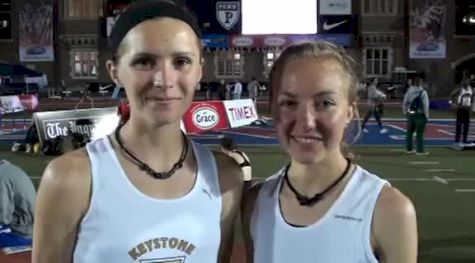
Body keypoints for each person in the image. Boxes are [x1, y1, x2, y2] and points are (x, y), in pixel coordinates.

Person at [33, 1, 243, 262]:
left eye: (181, 61)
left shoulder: (225, 178)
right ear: (115, 72)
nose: (164, 80)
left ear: (199, 69)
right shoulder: (70, 179)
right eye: (144, 61)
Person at [242, 41, 418, 263]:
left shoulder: (388, 210)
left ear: (348, 112)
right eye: (289, 103)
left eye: (325, 103)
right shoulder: (255, 203)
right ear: (273, 111)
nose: (306, 121)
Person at [0, 159, 36, 248]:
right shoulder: (8, 169)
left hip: (20, 234)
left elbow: (3, 219)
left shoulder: (1, 178)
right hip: (30, 227)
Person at [402, 76, 430, 154]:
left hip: (411, 113)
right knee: (419, 133)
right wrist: (426, 116)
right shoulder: (423, 92)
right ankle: (420, 150)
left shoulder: (409, 90)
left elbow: (405, 102)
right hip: (420, 114)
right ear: (421, 83)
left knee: (409, 132)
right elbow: (425, 105)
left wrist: (405, 112)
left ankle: (409, 149)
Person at [449, 79, 473, 146]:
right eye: (465, 82)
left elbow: (472, 98)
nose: (466, 83)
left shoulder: (471, 89)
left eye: (467, 82)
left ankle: (464, 141)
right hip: (460, 109)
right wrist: (451, 103)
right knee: (459, 126)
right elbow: (451, 95)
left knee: (466, 126)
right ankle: (457, 141)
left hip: (467, 110)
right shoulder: (460, 89)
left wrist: (471, 104)